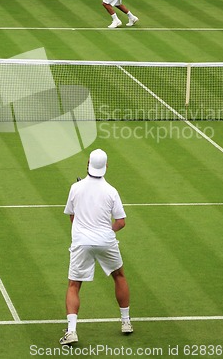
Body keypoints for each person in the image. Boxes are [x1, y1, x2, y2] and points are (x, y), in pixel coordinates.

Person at [60, 148, 133, 345]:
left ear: (88, 164)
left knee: (74, 285)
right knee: (119, 276)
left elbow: (72, 218)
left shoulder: (75, 189)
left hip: (82, 242)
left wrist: (86, 230)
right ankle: (126, 322)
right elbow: (121, 222)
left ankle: (72, 332)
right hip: (106, 241)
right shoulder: (112, 191)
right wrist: (106, 231)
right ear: (106, 166)